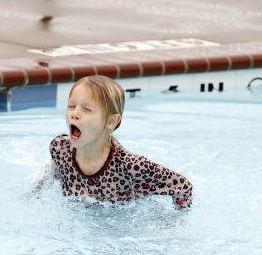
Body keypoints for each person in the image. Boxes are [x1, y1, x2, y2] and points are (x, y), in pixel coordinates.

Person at [34, 75, 193, 210]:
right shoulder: (60, 149)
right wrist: (36, 193)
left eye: (87, 110)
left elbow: (182, 186)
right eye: (71, 106)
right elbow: (53, 173)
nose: (74, 114)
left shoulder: (131, 167)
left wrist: (173, 224)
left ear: (111, 121)